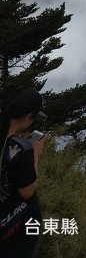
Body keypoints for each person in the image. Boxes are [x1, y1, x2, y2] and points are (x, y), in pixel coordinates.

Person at [0, 88, 46, 257]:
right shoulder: (23, 148)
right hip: (16, 227)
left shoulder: (13, 143)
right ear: (28, 117)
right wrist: (34, 154)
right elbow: (27, 191)